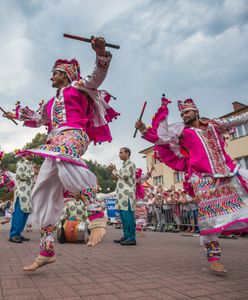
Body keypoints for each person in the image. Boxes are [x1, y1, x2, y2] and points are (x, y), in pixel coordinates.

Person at [4, 37, 119, 271]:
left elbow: (97, 76)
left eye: (54, 73)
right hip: (54, 142)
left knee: (65, 159)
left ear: (65, 75)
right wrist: (14, 115)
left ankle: (96, 214)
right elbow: (38, 118)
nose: (51, 77)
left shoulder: (79, 87)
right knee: (41, 191)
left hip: (74, 136)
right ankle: (46, 249)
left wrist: (101, 53)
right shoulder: (50, 102)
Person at [136, 96, 248, 273]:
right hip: (201, 178)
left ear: (196, 112)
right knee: (209, 218)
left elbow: (238, 118)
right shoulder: (182, 133)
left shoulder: (214, 125)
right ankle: (213, 257)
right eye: (182, 113)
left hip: (226, 171)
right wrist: (144, 130)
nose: (184, 115)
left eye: (187, 112)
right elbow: (160, 139)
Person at [108, 147, 136, 245]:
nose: (119, 154)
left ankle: (132, 238)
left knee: (128, 217)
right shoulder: (124, 166)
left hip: (127, 195)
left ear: (127, 153)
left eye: (121, 152)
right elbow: (119, 179)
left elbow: (124, 176)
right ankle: (126, 236)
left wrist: (114, 171)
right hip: (121, 195)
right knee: (123, 218)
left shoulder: (130, 164)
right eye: (119, 153)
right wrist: (114, 173)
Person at [9, 155, 35, 243]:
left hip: (28, 193)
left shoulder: (30, 164)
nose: (33, 155)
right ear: (26, 154)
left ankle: (18, 233)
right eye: (30, 153)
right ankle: (13, 235)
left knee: (25, 214)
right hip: (21, 193)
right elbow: (19, 176)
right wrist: (32, 174)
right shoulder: (21, 163)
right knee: (18, 214)